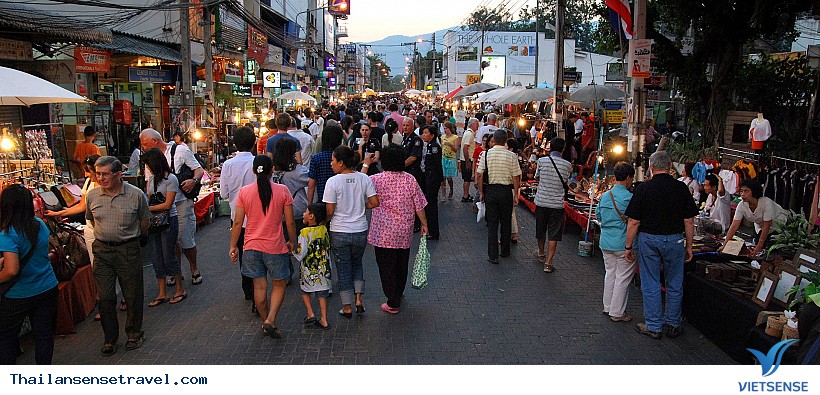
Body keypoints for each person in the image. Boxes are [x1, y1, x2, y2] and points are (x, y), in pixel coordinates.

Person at [624, 151, 699, 340]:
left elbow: (634, 221)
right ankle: (673, 323)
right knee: (674, 283)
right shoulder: (681, 188)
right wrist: (689, 246)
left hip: (649, 239)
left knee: (651, 283)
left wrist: (628, 246)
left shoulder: (643, 189)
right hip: (675, 240)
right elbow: (689, 220)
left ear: (651, 167)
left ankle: (654, 325)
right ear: (670, 167)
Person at [86, 156, 151, 355]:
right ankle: (109, 339)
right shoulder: (93, 196)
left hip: (128, 249)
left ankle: (134, 333)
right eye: (98, 174)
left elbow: (144, 222)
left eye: (105, 174)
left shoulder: (136, 195)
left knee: (132, 294)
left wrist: (128, 238)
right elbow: (92, 220)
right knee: (105, 297)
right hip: (103, 251)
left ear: (118, 175)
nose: (101, 178)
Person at [228, 155, 296, 339]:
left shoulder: (244, 192)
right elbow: (289, 222)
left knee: (259, 288)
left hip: (251, 246)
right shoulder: (282, 191)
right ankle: (271, 319)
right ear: (271, 170)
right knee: (279, 283)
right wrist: (293, 241)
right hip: (275, 246)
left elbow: (238, 222)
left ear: (253, 171)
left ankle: (265, 319)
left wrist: (233, 245)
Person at [0, 185, 58, 364]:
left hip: (19, 293)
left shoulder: (8, 234)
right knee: (44, 336)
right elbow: (43, 250)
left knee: (6, 337)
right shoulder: (39, 224)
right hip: (47, 286)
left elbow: (11, 270)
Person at [140, 128, 204, 286]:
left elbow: (199, 169)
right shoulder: (150, 158)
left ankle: (194, 268)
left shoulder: (180, 150)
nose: (143, 148)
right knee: (171, 241)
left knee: (185, 238)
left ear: (155, 141)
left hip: (181, 202)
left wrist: (193, 181)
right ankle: (177, 272)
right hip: (162, 207)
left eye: (145, 144)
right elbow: (150, 181)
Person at [368, 145, 428, 314]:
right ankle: (398, 293)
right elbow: (419, 205)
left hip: (383, 232)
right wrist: (424, 223)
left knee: (386, 265)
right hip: (404, 230)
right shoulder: (410, 179)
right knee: (401, 264)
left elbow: (362, 190)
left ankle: (392, 300)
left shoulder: (375, 179)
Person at [323, 145, 379, 318]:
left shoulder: (333, 182)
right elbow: (375, 202)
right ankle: (359, 299)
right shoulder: (363, 179)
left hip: (339, 231)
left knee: (343, 268)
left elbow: (330, 211)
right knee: (357, 263)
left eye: (333, 160)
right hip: (360, 229)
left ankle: (347, 306)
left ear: (341, 162)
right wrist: (362, 205)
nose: (331, 164)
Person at [142, 148, 186, 307]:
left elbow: (168, 204)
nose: (147, 167)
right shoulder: (152, 178)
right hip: (155, 222)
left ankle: (179, 289)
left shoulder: (171, 179)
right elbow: (149, 198)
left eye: (148, 164)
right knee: (156, 257)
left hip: (168, 220)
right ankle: (162, 292)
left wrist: (146, 209)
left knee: (169, 255)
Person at [218, 126, 257, 305]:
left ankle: (248, 289)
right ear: (254, 142)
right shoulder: (258, 163)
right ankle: (259, 287)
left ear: (234, 144)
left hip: (238, 218)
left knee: (242, 253)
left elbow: (224, 194)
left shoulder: (228, 165)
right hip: (259, 217)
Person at [596, 162, 636, 322]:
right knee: (623, 277)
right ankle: (617, 312)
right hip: (623, 243)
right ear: (628, 178)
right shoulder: (630, 198)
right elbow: (634, 222)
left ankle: (608, 307)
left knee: (610, 273)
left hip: (606, 242)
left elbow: (598, 217)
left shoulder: (606, 196)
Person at [476, 130, 521, 264]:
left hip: (491, 190)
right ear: (506, 140)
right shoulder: (512, 156)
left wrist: (481, 192)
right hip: (506, 191)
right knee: (506, 221)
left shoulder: (485, 154)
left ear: (494, 140)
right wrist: (516, 194)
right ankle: (505, 251)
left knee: (492, 223)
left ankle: (493, 255)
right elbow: (515, 177)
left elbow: (479, 175)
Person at [272, 137, 310, 283]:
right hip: (297, 211)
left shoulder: (274, 171)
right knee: (301, 243)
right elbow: (311, 179)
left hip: (278, 212)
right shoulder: (298, 171)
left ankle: (286, 274)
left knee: (282, 244)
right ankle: (304, 271)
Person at [533, 137, 572, 272]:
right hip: (557, 204)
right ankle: (549, 263)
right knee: (554, 233)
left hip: (542, 201)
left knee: (541, 230)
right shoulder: (567, 165)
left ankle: (541, 253)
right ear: (563, 148)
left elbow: (537, 177)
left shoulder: (542, 161)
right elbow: (566, 181)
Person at [723, 179, 787, 256]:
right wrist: (725, 245)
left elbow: (767, 226)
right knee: (755, 250)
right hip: (760, 227)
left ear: (754, 192)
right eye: (741, 191)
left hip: (777, 227)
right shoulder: (741, 205)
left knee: (769, 251)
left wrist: (759, 247)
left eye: (746, 191)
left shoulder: (766, 203)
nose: (742, 194)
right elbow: (734, 225)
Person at [293, 203, 332, 330]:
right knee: (322, 294)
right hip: (324, 270)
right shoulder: (324, 229)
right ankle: (324, 319)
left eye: (305, 211)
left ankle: (310, 313)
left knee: (305, 291)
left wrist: (292, 249)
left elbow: (300, 253)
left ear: (311, 216)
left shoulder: (304, 233)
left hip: (308, 271)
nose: (303, 213)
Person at [308, 124, 343, 204]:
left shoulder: (316, 158)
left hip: (323, 198)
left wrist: (309, 205)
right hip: (341, 199)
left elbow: (311, 185)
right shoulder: (343, 157)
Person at [420, 125, 443, 240]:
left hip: (433, 178)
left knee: (431, 205)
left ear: (432, 135)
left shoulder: (434, 147)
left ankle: (434, 231)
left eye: (426, 133)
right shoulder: (429, 146)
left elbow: (436, 165)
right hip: (429, 177)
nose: (423, 135)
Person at [460, 118, 478, 202]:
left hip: (465, 159)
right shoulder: (469, 134)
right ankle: (465, 195)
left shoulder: (468, 133)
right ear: (472, 124)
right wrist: (468, 162)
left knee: (466, 179)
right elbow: (465, 148)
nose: (477, 126)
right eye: (476, 124)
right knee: (467, 179)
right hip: (467, 159)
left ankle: (466, 194)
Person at [440, 121, 459, 201]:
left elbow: (455, 150)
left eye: (446, 128)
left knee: (449, 178)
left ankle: (451, 189)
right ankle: (443, 194)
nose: (445, 130)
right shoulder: (442, 137)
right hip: (444, 158)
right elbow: (441, 146)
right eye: (444, 128)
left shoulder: (455, 137)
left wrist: (451, 145)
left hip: (451, 158)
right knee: (443, 177)